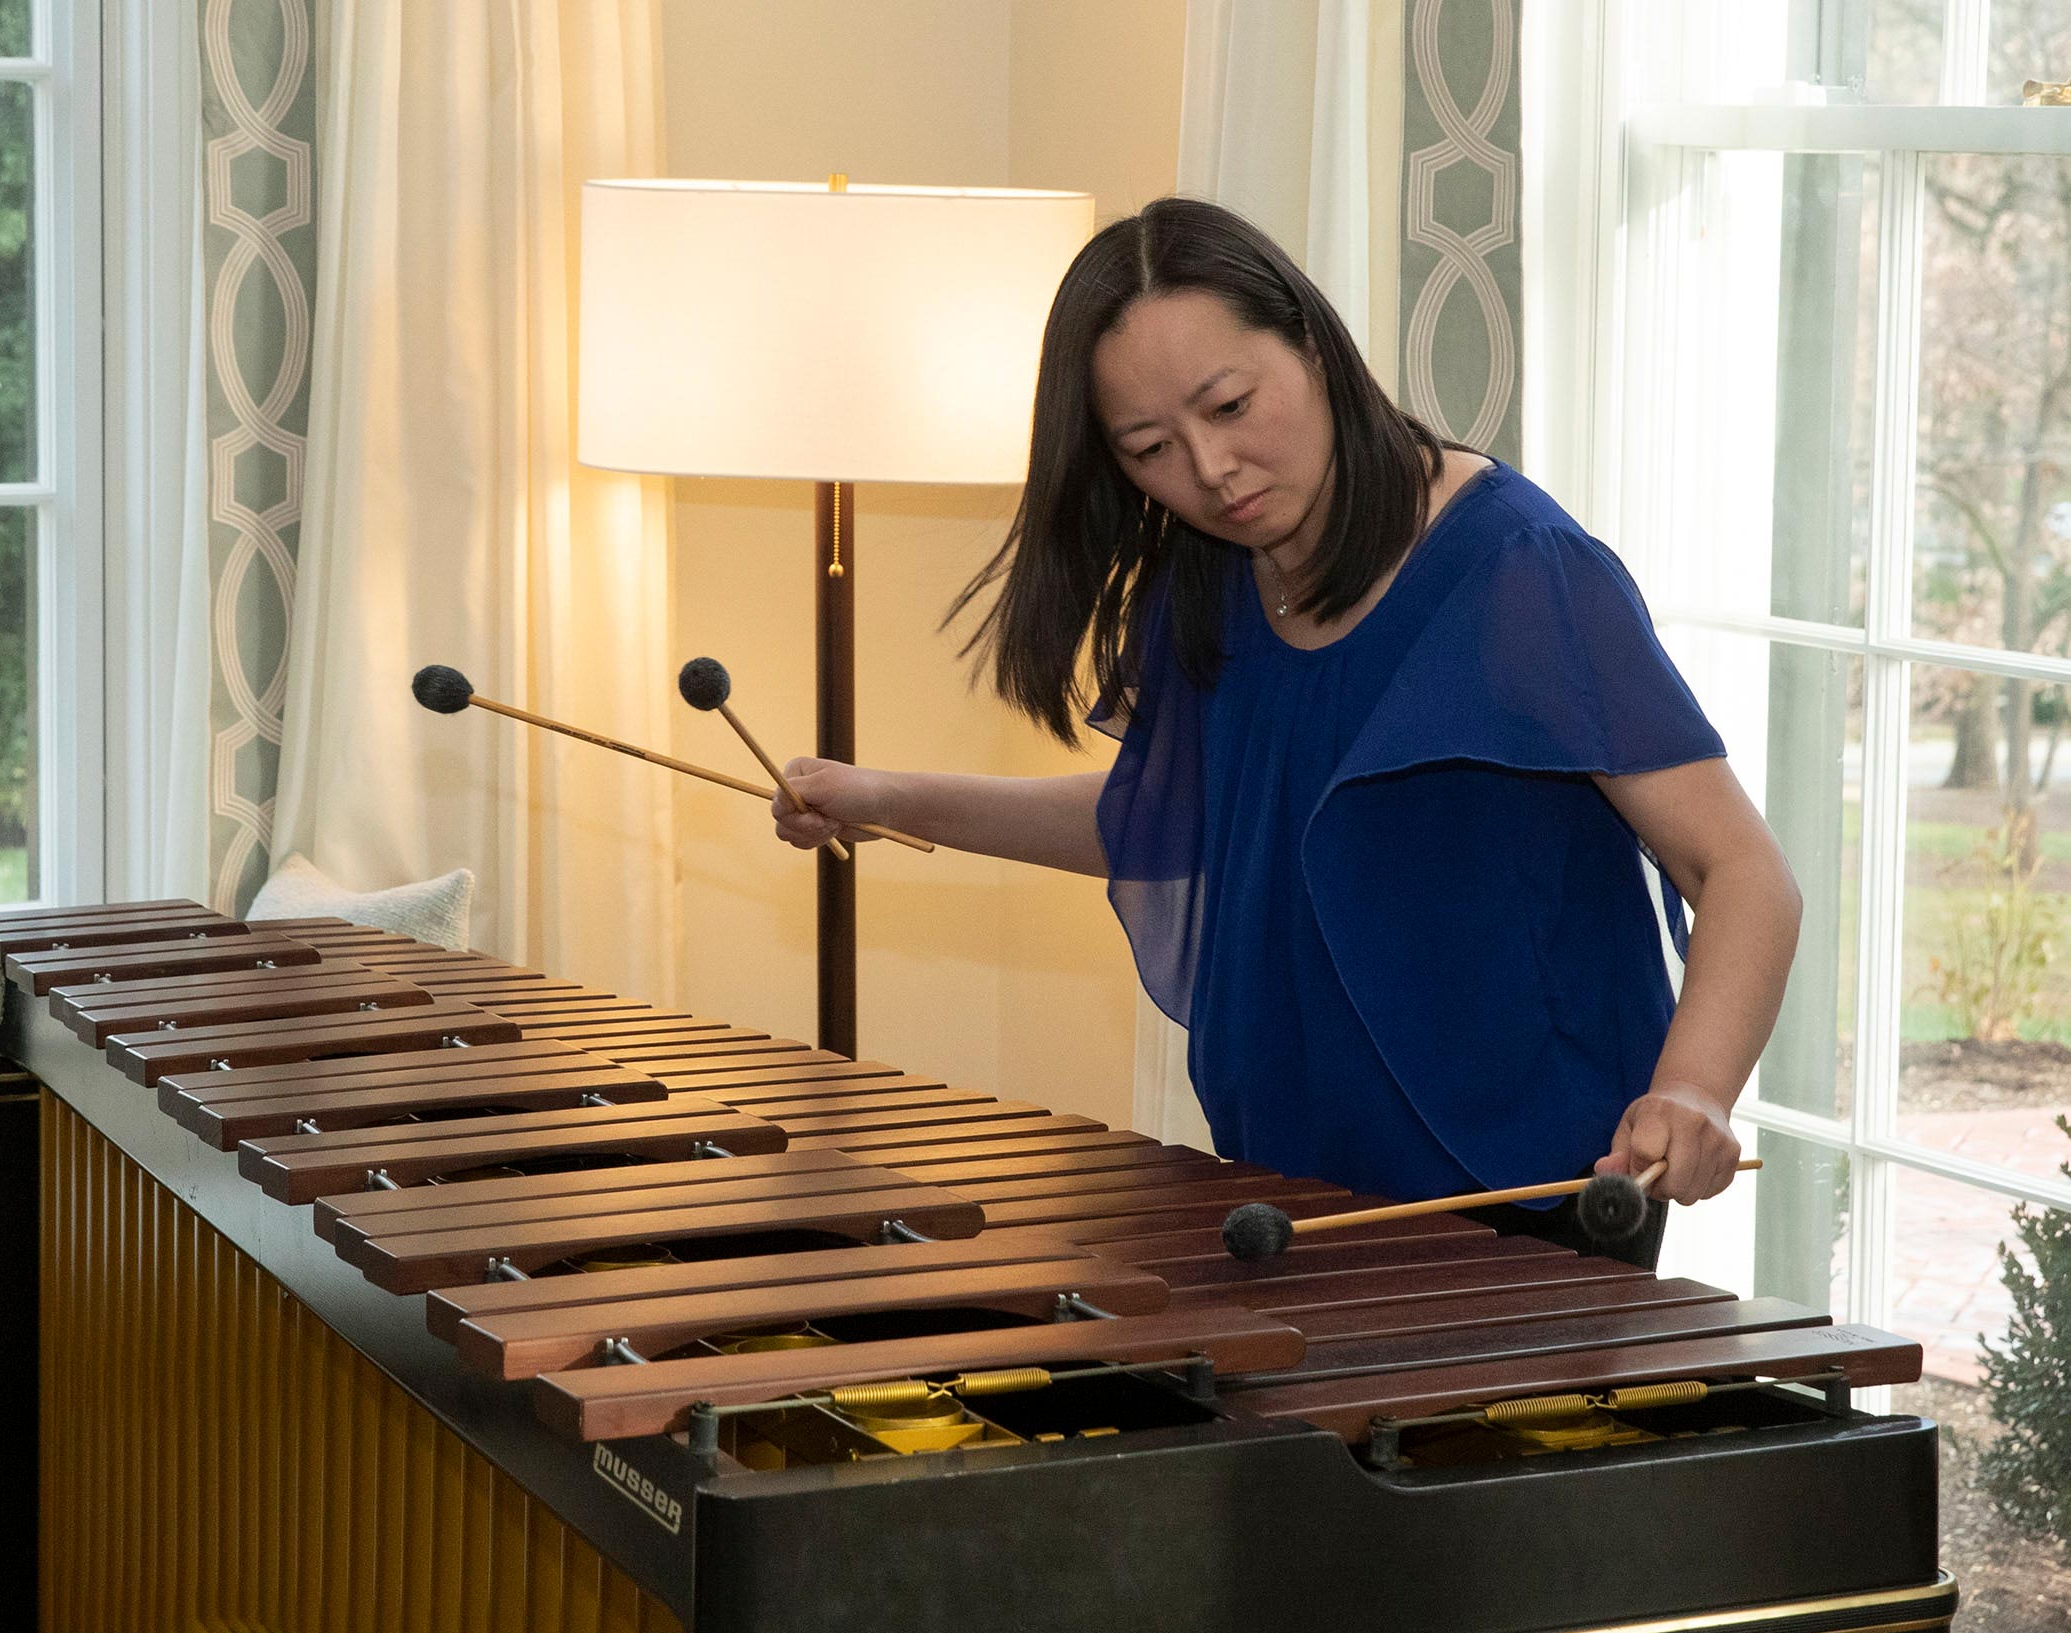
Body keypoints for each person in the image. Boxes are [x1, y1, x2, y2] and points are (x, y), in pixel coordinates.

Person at [768, 197, 1800, 1262]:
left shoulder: (1516, 575)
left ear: (1310, 342)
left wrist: (1691, 1087)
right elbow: (1180, 818)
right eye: (1149, 447)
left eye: (1228, 405)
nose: (1209, 469)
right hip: (1285, 1185)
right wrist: (884, 799)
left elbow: (1738, 867)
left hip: (1529, 1191)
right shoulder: (1204, 574)